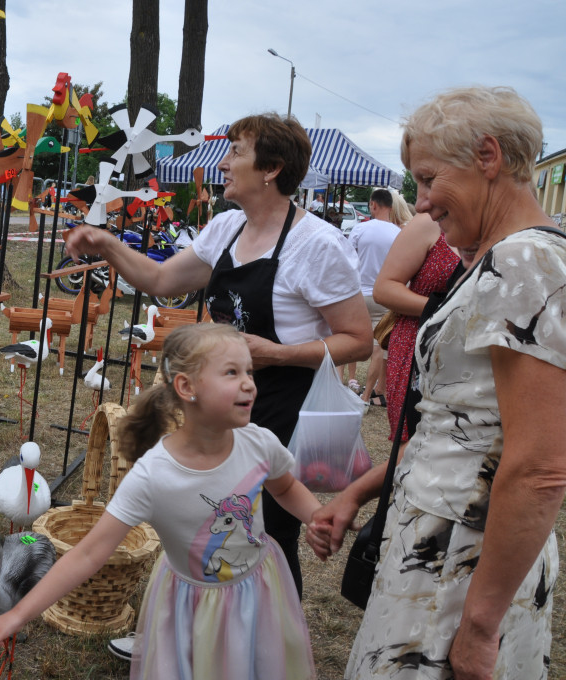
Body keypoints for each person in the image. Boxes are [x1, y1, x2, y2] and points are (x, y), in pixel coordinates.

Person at [309, 85, 566, 680]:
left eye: (428, 179)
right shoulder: (497, 258)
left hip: (462, 560)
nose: (420, 204)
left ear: (488, 156)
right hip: (441, 542)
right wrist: (358, 493)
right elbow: (458, 428)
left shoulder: (525, 262)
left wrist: (479, 624)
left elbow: (541, 467)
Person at [62, 112, 372, 599]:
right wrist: (106, 242)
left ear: (271, 169)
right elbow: (162, 281)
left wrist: (277, 353)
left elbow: (358, 339)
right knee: (205, 515)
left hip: (275, 407)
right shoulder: (227, 227)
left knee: (267, 532)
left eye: (236, 153)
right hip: (213, 405)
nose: (223, 164)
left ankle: (270, 634)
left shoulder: (316, 244)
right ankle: (201, 614)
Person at [0, 324, 325, 678]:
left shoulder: (259, 442)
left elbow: (285, 487)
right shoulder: (153, 476)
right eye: (232, 372)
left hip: (257, 589)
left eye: (249, 371)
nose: (249, 383)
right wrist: (16, 614)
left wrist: (318, 516)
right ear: (187, 386)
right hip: (190, 608)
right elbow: (88, 554)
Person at [372, 211, 461, 446]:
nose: (422, 198)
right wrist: (449, 311)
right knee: (412, 441)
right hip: (417, 343)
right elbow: (384, 289)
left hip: (469, 350)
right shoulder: (428, 222)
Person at [344, 188, 403, 406]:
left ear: (373, 205)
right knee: (380, 349)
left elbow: (348, 261)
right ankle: (368, 394)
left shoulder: (360, 229)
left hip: (359, 293)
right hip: (384, 296)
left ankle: (345, 380)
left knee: (348, 337)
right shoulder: (398, 233)